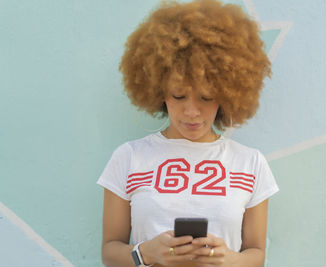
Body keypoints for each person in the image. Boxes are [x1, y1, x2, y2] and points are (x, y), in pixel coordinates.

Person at [97, 0, 279, 266]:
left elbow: (256, 255)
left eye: (206, 97)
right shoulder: (129, 157)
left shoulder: (250, 163)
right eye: (179, 95)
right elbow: (110, 252)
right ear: (159, 91)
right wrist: (147, 253)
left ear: (227, 95)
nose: (191, 111)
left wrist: (227, 259)